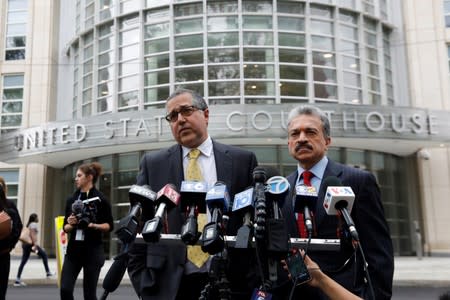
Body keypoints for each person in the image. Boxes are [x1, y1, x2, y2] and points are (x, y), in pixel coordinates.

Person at [127, 88, 258, 300]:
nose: (180, 120)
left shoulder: (242, 161)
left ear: (206, 114)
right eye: (173, 116)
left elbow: (252, 222)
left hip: (230, 281)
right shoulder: (153, 164)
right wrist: (144, 283)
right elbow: (139, 225)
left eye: (186, 111)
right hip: (169, 285)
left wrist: (253, 278)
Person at [279, 105, 394, 299]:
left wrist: (376, 296)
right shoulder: (282, 188)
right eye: (295, 134)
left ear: (327, 141)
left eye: (310, 132)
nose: (302, 138)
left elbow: (378, 251)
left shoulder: (358, 181)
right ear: (289, 143)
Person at [60, 162, 114, 300]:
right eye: (76, 176)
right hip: (73, 251)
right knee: (65, 289)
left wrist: (92, 225)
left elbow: (109, 226)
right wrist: (71, 224)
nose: (76, 179)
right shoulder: (72, 199)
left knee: (89, 295)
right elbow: (65, 228)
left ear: (89, 177)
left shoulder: (101, 199)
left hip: (93, 251)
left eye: (79, 176)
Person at [14, 213, 55, 286]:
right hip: (31, 244)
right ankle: (48, 272)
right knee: (44, 255)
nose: (38, 218)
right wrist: (35, 245)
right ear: (35, 218)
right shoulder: (33, 224)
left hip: (26, 245)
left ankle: (17, 279)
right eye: (37, 217)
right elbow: (33, 235)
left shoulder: (29, 224)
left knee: (23, 261)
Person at [0, 177, 22, 300]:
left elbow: (18, 226)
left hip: (3, 254)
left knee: (1, 291)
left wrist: (11, 244)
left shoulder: (9, 205)